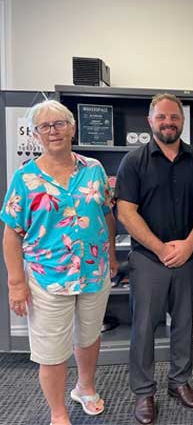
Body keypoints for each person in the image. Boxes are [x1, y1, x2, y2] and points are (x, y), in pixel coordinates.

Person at [1, 99, 118, 425]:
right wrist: (16, 283)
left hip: (94, 273)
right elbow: (12, 235)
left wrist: (110, 254)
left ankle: (85, 387)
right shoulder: (24, 179)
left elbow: (106, 214)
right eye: (45, 126)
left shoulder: (94, 169)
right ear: (36, 134)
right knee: (52, 351)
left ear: (72, 127)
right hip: (46, 278)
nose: (53, 131)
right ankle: (58, 412)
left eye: (60, 124)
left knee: (89, 336)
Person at [115, 93, 193, 424]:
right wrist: (160, 248)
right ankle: (144, 392)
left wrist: (188, 244)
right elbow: (126, 212)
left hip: (188, 256)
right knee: (144, 326)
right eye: (162, 117)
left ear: (183, 121)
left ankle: (179, 382)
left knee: (184, 323)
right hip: (148, 260)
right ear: (150, 120)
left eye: (174, 117)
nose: (168, 122)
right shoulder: (133, 162)